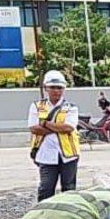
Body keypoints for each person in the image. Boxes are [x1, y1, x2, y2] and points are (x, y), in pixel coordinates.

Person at [28, 70, 81, 201]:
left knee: (68, 189)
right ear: (46, 88)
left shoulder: (70, 107)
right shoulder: (36, 106)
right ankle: (43, 215)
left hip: (68, 154)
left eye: (59, 88)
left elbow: (69, 127)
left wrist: (45, 123)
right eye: (53, 87)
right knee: (46, 188)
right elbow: (34, 128)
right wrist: (58, 127)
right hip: (45, 154)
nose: (56, 91)